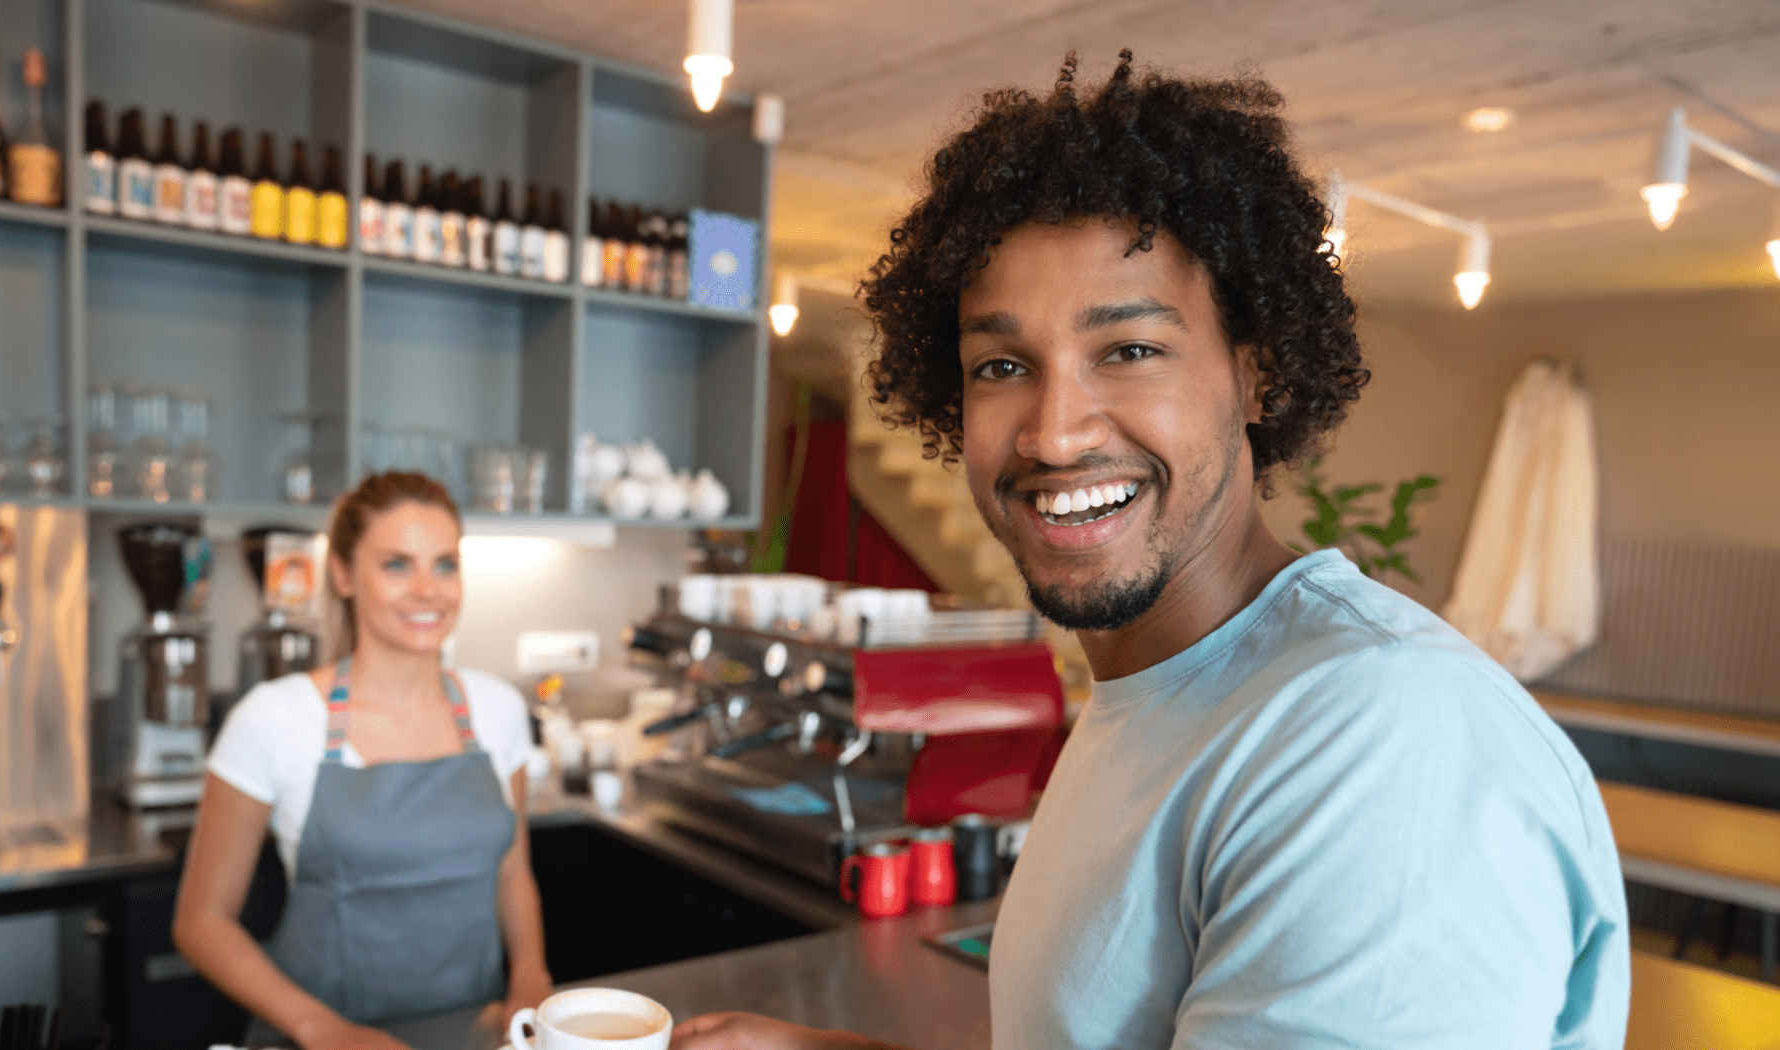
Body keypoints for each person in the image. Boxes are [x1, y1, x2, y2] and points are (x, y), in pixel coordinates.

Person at [672, 55, 1629, 1050]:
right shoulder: (1156, 689)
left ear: (1254, 374)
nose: (1053, 432)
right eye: (1001, 366)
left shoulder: (1383, 745)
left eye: (1128, 349)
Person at [174, 472, 551, 1049]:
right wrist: (322, 1029)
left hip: (474, 1032)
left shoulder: (497, 710)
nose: (429, 590)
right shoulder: (275, 718)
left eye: (445, 564)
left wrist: (531, 977)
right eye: (397, 565)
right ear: (344, 575)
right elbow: (201, 922)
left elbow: (511, 872)